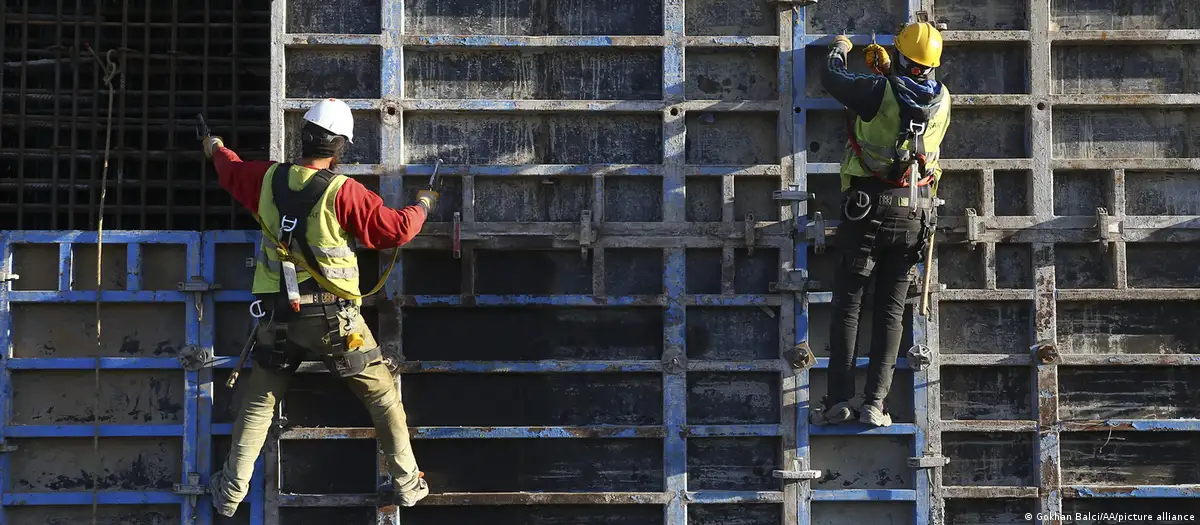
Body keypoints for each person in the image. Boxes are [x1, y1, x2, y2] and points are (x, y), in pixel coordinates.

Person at [201, 98, 439, 516]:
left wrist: (213, 144)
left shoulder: (264, 178)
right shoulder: (344, 192)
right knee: (382, 397)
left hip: (275, 320)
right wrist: (424, 203)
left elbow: (227, 167)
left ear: (302, 137)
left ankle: (229, 493)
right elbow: (395, 231)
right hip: (334, 322)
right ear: (340, 147)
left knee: (258, 406)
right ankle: (408, 483)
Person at [810, 23, 950, 427]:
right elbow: (910, 109)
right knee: (891, 310)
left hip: (867, 209)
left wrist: (841, 46)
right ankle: (876, 404)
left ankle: (839, 400)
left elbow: (833, 77)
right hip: (916, 212)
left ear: (904, 57)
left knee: (849, 303)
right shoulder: (943, 99)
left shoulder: (877, 92)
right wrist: (890, 74)